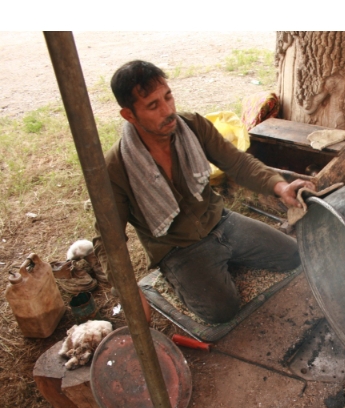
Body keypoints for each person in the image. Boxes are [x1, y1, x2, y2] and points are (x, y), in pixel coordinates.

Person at [93, 60, 314, 325]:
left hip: (220, 220)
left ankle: (221, 262)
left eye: (168, 97)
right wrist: (128, 291)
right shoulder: (115, 167)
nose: (167, 110)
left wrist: (280, 186)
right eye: (153, 105)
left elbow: (238, 162)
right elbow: (109, 239)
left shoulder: (193, 126)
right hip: (178, 248)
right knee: (222, 312)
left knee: (293, 256)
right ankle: (182, 276)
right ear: (129, 115)